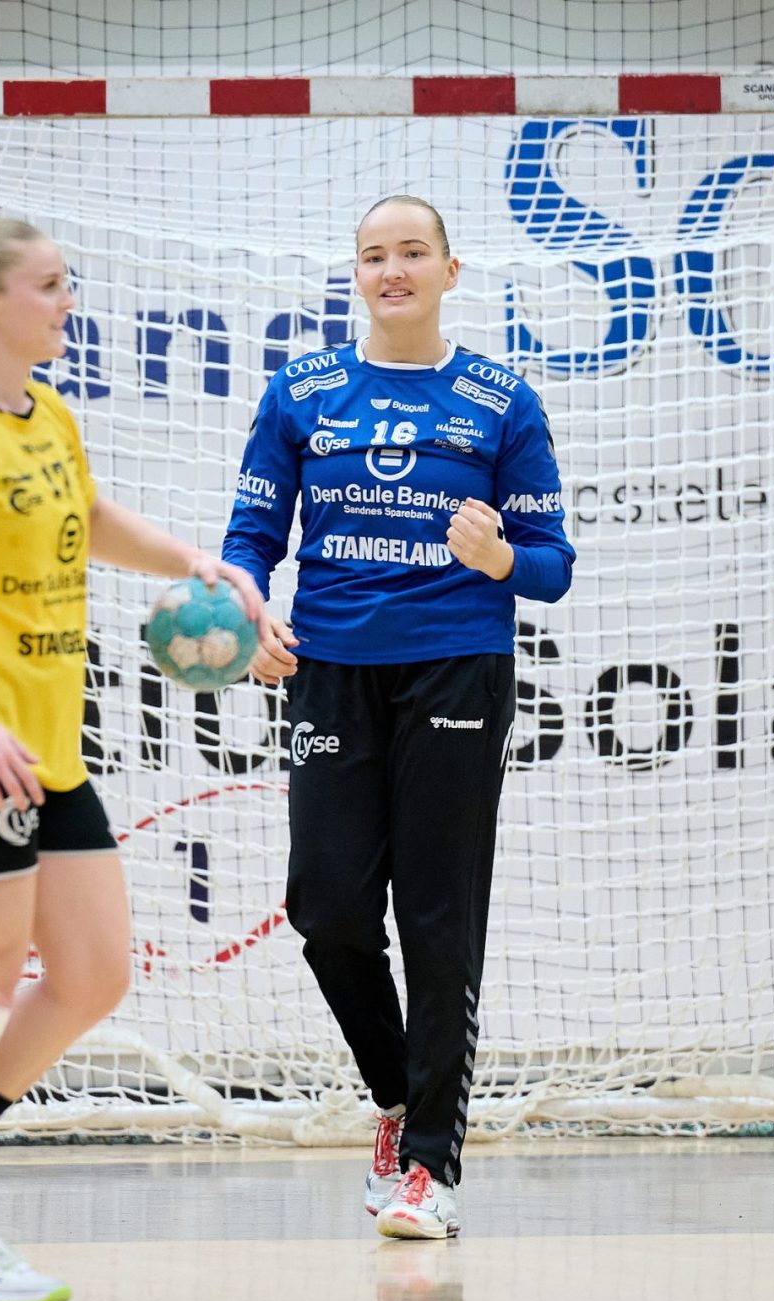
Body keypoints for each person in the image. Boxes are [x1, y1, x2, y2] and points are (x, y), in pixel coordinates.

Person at [0, 217, 267, 1301]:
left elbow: (84, 511)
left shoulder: (43, 412)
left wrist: (189, 560)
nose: (67, 302)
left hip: (47, 757)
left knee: (91, 974)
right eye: (49, 285)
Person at [221, 196, 574, 1239]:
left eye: (413, 252)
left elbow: (553, 567)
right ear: (357, 275)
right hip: (330, 668)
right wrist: (248, 614)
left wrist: (499, 558)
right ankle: (395, 1097)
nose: (393, 270)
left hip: (457, 671)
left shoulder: (502, 401)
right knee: (327, 911)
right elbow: (251, 535)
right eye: (374, 255)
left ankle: (428, 1166)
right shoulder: (302, 391)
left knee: (437, 918)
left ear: (449, 272)